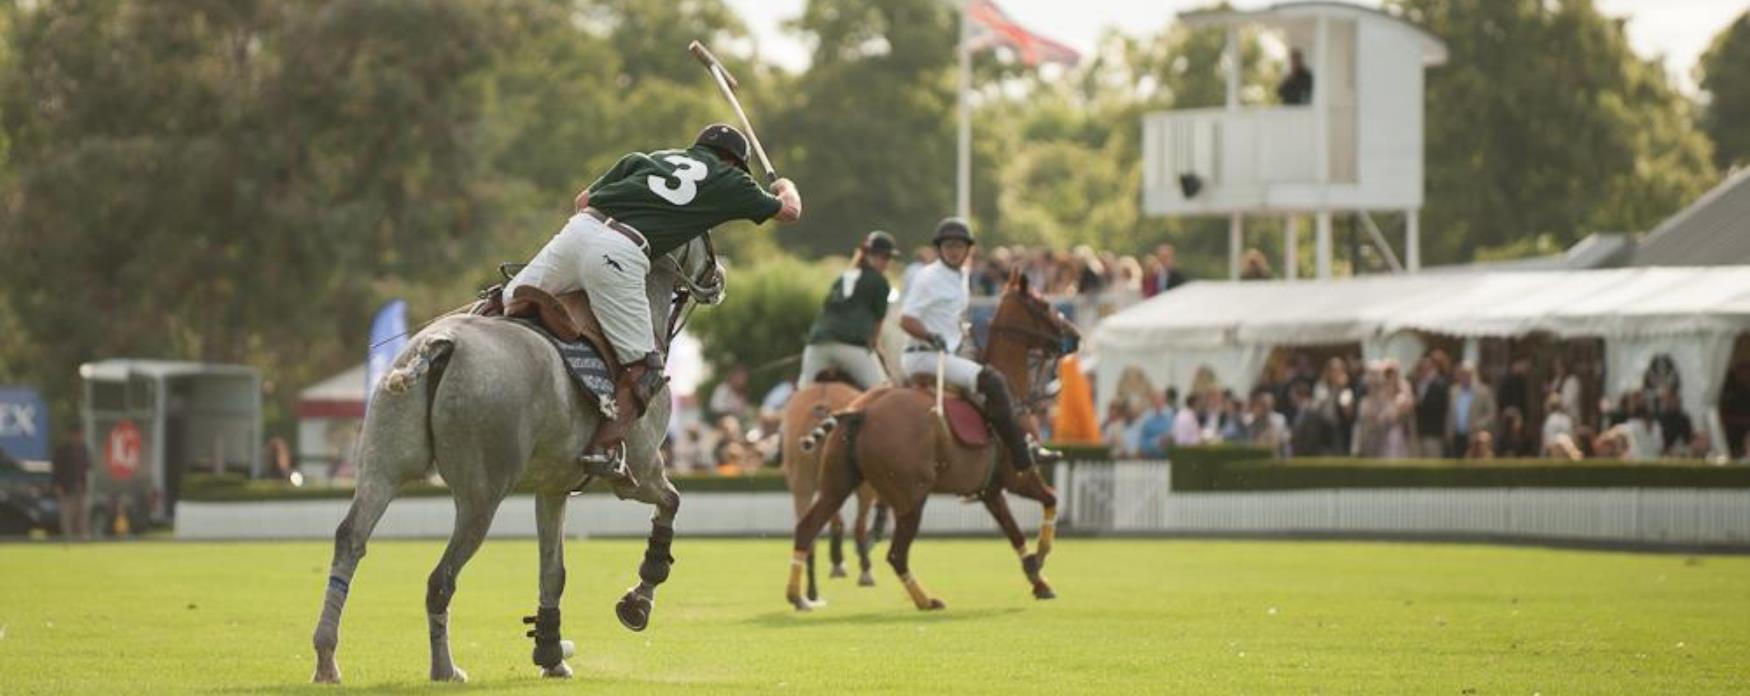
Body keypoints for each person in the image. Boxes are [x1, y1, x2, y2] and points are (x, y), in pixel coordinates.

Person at [503, 123, 802, 476]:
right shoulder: (731, 180)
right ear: (733, 162)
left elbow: (582, 200)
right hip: (621, 250)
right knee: (646, 368)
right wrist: (785, 186)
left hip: (578, 230)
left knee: (506, 301)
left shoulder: (647, 158)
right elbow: (789, 212)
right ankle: (604, 450)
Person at [898, 217, 1043, 472]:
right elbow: (906, 319)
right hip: (926, 356)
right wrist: (931, 336)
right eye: (948, 246)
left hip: (948, 353)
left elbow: (948, 315)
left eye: (959, 246)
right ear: (939, 249)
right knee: (994, 381)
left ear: (968, 250)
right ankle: (1021, 453)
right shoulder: (928, 277)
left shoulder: (961, 276)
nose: (954, 251)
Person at [798, 231, 897, 390]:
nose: (887, 262)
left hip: (817, 345)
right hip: (852, 348)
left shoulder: (844, 277)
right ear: (869, 255)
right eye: (884, 257)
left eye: (888, 258)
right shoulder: (880, 282)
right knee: (883, 393)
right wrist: (876, 350)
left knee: (802, 394)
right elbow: (877, 327)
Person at [1446, 362, 1497, 458]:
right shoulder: (1453, 391)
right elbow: (1449, 414)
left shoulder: (1484, 391)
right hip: (1457, 435)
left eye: (1467, 374)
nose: (1464, 377)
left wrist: (1478, 425)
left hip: (1475, 436)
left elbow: (1491, 414)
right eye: (1462, 374)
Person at [52, 427, 90, 539]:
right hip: (66, 487)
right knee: (67, 515)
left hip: (80, 487)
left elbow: (88, 465)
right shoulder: (62, 450)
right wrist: (57, 485)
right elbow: (57, 469)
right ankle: (68, 538)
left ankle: (82, 538)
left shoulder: (83, 449)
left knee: (82, 515)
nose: (78, 437)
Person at [1412, 356, 1450, 458]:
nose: (1423, 371)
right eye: (1420, 369)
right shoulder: (1415, 384)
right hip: (1417, 433)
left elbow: (1442, 408)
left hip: (1434, 434)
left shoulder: (1440, 384)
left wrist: (1418, 404)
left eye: (1426, 368)